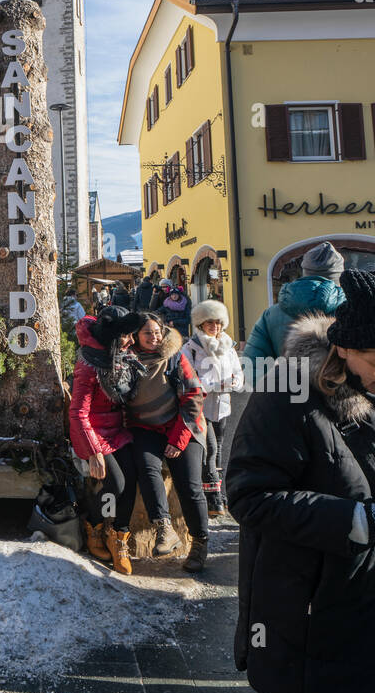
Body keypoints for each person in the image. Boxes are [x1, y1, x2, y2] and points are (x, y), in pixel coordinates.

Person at [227, 268, 375, 693]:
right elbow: (249, 496)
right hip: (305, 610)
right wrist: (362, 521)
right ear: (345, 347)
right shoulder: (289, 392)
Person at [126, 312, 209, 571]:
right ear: (136, 336)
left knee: (189, 484)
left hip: (183, 425)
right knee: (146, 467)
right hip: (146, 428)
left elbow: (194, 396)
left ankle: (199, 542)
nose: (155, 337)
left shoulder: (174, 357)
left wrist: (178, 439)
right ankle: (164, 529)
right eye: (148, 333)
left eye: (157, 332)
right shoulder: (127, 361)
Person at [69, 306, 145, 573]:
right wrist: (93, 452)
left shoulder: (122, 356)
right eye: (126, 335)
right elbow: (78, 412)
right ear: (113, 336)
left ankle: (119, 536)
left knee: (132, 478)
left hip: (118, 431)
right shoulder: (89, 364)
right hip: (94, 433)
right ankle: (95, 526)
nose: (132, 341)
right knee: (116, 483)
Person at [182, 299, 244, 516]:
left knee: (219, 448)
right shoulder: (191, 348)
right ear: (200, 324)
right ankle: (214, 498)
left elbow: (238, 372)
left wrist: (235, 382)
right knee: (210, 449)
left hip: (222, 406)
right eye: (209, 322)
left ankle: (218, 494)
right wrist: (214, 385)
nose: (214, 327)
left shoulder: (228, 346)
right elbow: (189, 378)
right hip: (200, 406)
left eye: (218, 323)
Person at [243, 241, 345, 364]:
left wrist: (270, 383)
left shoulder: (271, 315)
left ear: (305, 272)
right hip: (336, 381)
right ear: (338, 277)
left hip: (286, 382)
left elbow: (253, 362)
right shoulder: (352, 310)